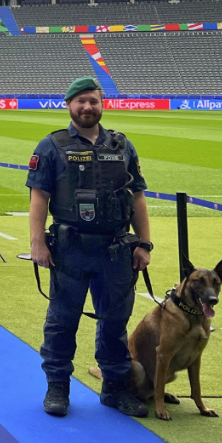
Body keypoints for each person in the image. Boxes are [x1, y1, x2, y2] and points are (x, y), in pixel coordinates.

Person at [27, 77, 152, 418]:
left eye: (93, 101)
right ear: (69, 104)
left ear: (102, 104)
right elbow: (39, 196)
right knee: (61, 322)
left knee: (115, 322)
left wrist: (144, 244)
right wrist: (38, 242)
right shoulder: (51, 146)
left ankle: (115, 389)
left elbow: (138, 197)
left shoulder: (122, 145)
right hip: (71, 249)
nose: (87, 107)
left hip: (116, 250)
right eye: (80, 101)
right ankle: (57, 388)